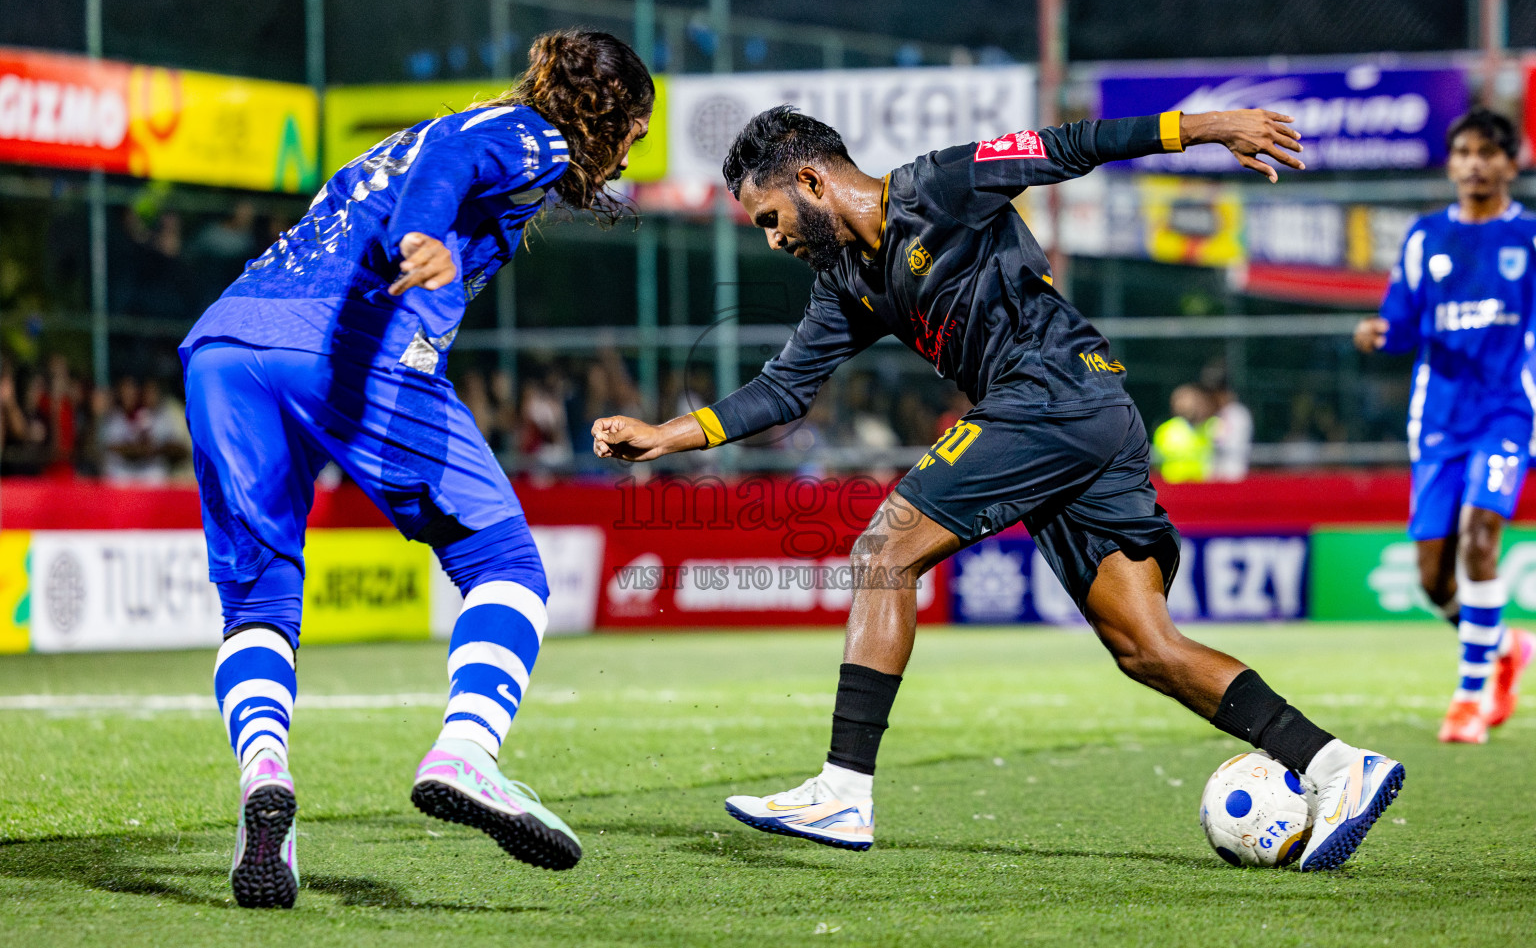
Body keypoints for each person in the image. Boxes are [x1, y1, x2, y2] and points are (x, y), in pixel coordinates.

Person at [593, 104, 1403, 871]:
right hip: (1077, 417)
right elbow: (783, 388)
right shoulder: (847, 280)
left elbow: (1069, 144)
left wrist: (1207, 128)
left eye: (769, 218)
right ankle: (1337, 766)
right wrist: (667, 435)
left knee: (884, 550)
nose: (771, 241)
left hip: (1053, 391)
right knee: (1145, 647)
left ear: (810, 181)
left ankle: (843, 790)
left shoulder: (937, 185)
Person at [180, 29, 653, 908]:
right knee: (506, 567)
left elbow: (431, 158)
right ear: (606, 112)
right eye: (635, 129)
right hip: (344, 345)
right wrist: (424, 236)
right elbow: (451, 161)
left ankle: (264, 784)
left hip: (225, 344)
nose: (633, 149)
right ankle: (467, 751)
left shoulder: (415, 138)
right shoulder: (529, 133)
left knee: (257, 601)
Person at [1354, 107, 1536, 745]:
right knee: (1434, 579)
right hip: (1437, 419)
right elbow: (1400, 319)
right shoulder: (1425, 236)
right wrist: (1377, 332)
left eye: (1489, 152)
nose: (1475, 164)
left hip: (1509, 411)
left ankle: (1469, 697)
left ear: (1512, 163)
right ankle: (1506, 645)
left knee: (1480, 539)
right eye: (1464, 152)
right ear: (1451, 163)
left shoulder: (1528, 238)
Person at [1152, 383, 1214, 483]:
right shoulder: (1165, 430)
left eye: (1192, 401)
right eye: (1182, 400)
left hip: (1202, 487)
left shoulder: (1210, 427)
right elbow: (1156, 464)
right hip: (1174, 487)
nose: (1187, 405)